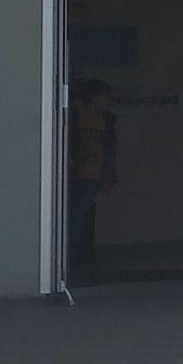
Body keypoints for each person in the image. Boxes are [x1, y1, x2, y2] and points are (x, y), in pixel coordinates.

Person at [68, 79, 117, 276]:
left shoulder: (106, 121)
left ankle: (84, 255)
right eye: (105, 97)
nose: (109, 101)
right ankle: (74, 256)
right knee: (78, 216)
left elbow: (110, 150)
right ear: (94, 97)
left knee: (86, 216)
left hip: (94, 176)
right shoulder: (75, 115)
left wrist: (108, 178)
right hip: (77, 174)